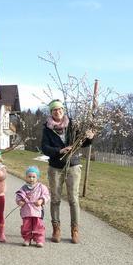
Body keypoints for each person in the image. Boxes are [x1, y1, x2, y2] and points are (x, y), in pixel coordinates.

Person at [40, 99, 94, 244]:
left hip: (73, 166)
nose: (57, 112)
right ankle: (56, 229)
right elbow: (44, 148)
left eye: (59, 109)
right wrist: (59, 150)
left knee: (73, 199)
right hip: (55, 167)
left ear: (63, 110)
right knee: (56, 199)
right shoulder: (47, 129)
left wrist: (89, 137)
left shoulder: (73, 125)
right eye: (54, 110)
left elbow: (82, 142)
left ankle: (74, 230)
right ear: (51, 112)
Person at [15, 165, 50, 247]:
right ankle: (27, 238)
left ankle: (39, 239)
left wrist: (41, 200)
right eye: (29, 177)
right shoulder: (23, 188)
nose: (31, 179)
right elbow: (19, 196)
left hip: (37, 211)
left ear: (37, 177)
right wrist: (20, 202)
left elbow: (46, 195)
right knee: (26, 226)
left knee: (38, 225)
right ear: (26, 177)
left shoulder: (41, 187)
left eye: (34, 177)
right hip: (26, 211)